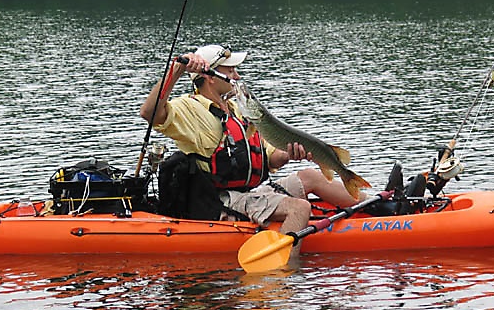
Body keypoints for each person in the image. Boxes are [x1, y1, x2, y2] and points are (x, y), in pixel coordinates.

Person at [140, 44, 365, 257]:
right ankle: (281, 273)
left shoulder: (238, 109)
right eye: (231, 70)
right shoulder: (189, 108)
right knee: (299, 208)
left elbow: (271, 158)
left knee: (311, 176)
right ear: (210, 76)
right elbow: (150, 113)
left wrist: (289, 154)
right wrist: (176, 70)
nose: (237, 76)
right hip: (223, 199)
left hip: (251, 191)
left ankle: (384, 205)